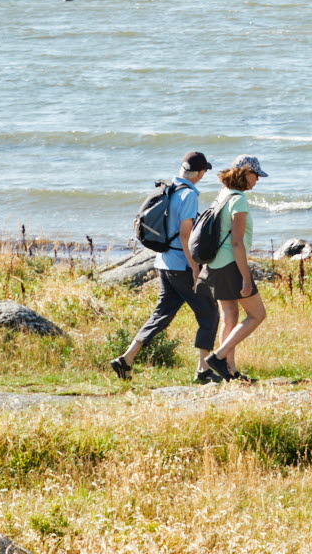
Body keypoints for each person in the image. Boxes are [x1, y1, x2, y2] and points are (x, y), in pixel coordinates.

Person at [108, 151, 217, 384]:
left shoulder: (168, 188)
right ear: (199, 173)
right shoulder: (188, 195)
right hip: (181, 265)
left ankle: (126, 359)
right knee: (208, 313)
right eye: (204, 171)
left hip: (163, 262)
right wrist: (195, 267)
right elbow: (186, 234)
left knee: (161, 315)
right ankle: (203, 370)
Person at [198, 154, 269, 382]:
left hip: (214, 265)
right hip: (230, 265)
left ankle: (230, 371)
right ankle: (218, 357)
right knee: (257, 314)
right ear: (246, 173)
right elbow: (237, 242)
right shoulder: (238, 200)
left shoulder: (222, 196)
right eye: (255, 175)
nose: (257, 180)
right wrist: (246, 277)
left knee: (229, 317)